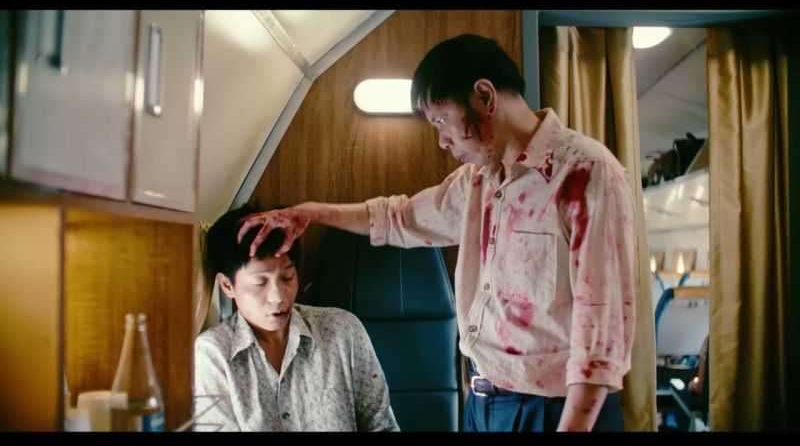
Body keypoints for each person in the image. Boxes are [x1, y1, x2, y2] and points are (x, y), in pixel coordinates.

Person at [237, 34, 636, 432]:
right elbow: (399, 219)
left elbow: (601, 330)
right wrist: (310, 213)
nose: (443, 141)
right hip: (484, 402)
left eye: (441, 121)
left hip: (555, 411)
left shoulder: (585, 174)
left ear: (484, 96)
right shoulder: (478, 180)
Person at [193, 204, 399, 432]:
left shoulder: (343, 330)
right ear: (227, 285)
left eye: (287, 277)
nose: (278, 296)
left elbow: (381, 425)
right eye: (260, 283)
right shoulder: (213, 354)